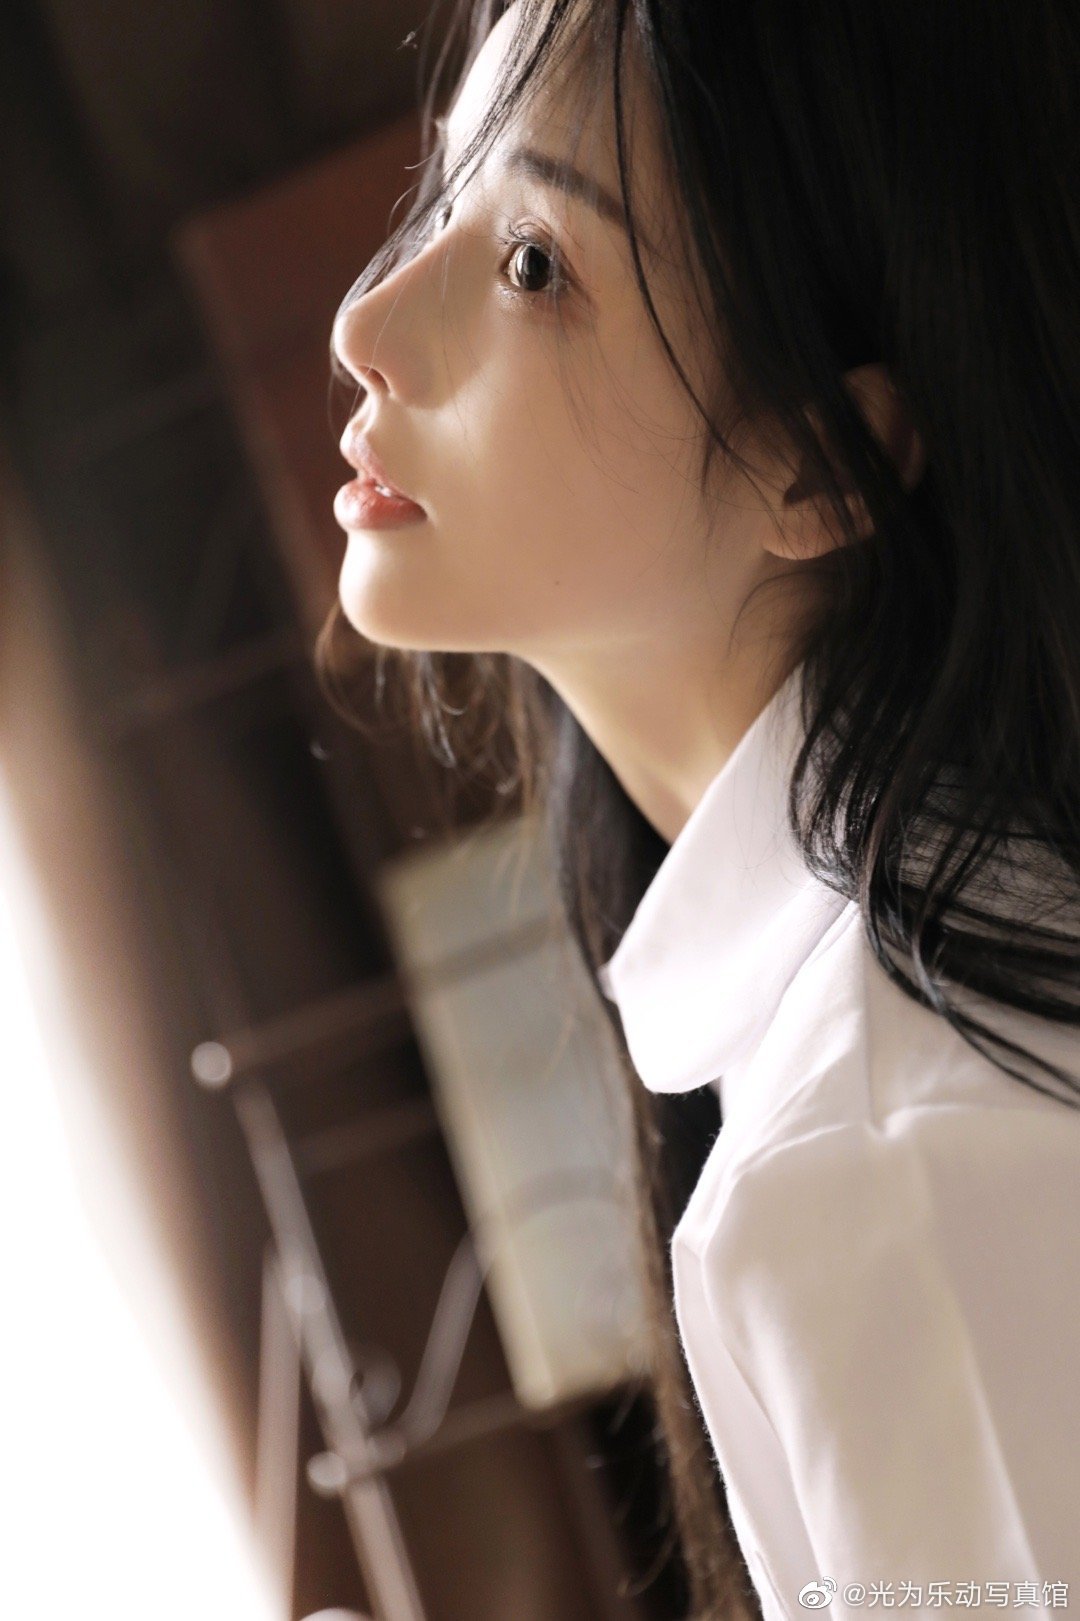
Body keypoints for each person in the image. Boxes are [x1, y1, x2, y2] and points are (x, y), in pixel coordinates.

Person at [320, 0, 1080, 1615]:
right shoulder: (919, 1015)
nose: (367, 320)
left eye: (536, 264)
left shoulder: (890, 1157)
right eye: (446, 191)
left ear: (819, 465)